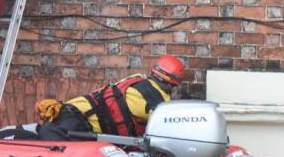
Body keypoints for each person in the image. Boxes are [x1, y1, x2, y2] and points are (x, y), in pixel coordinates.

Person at [36, 55, 186, 141]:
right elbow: (169, 131)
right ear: (173, 83)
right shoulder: (156, 100)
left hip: (67, 114)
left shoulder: (137, 80)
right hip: (73, 124)